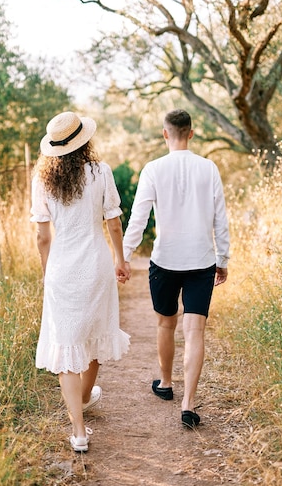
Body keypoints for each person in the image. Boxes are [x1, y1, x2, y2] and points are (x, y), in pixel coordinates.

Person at [123, 109, 230, 428]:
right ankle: (189, 404)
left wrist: (125, 256)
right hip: (201, 261)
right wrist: (222, 260)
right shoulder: (208, 168)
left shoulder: (153, 169)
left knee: (166, 325)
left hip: (165, 261)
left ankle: (166, 384)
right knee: (195, 331)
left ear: (165, 133)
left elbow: (139, 218)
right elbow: (220, 219)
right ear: (192, 133)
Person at [30, 111, 130, 452]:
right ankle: (86, 395)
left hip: (62, 267)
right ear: (84, 141)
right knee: (94, 334)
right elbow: (113, 222)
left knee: (67, 343)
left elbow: (42, 237)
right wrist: (120, 259)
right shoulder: (100, 172)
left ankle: (79, 431)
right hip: (96, 264)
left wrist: (48, 271)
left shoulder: (42, 179)